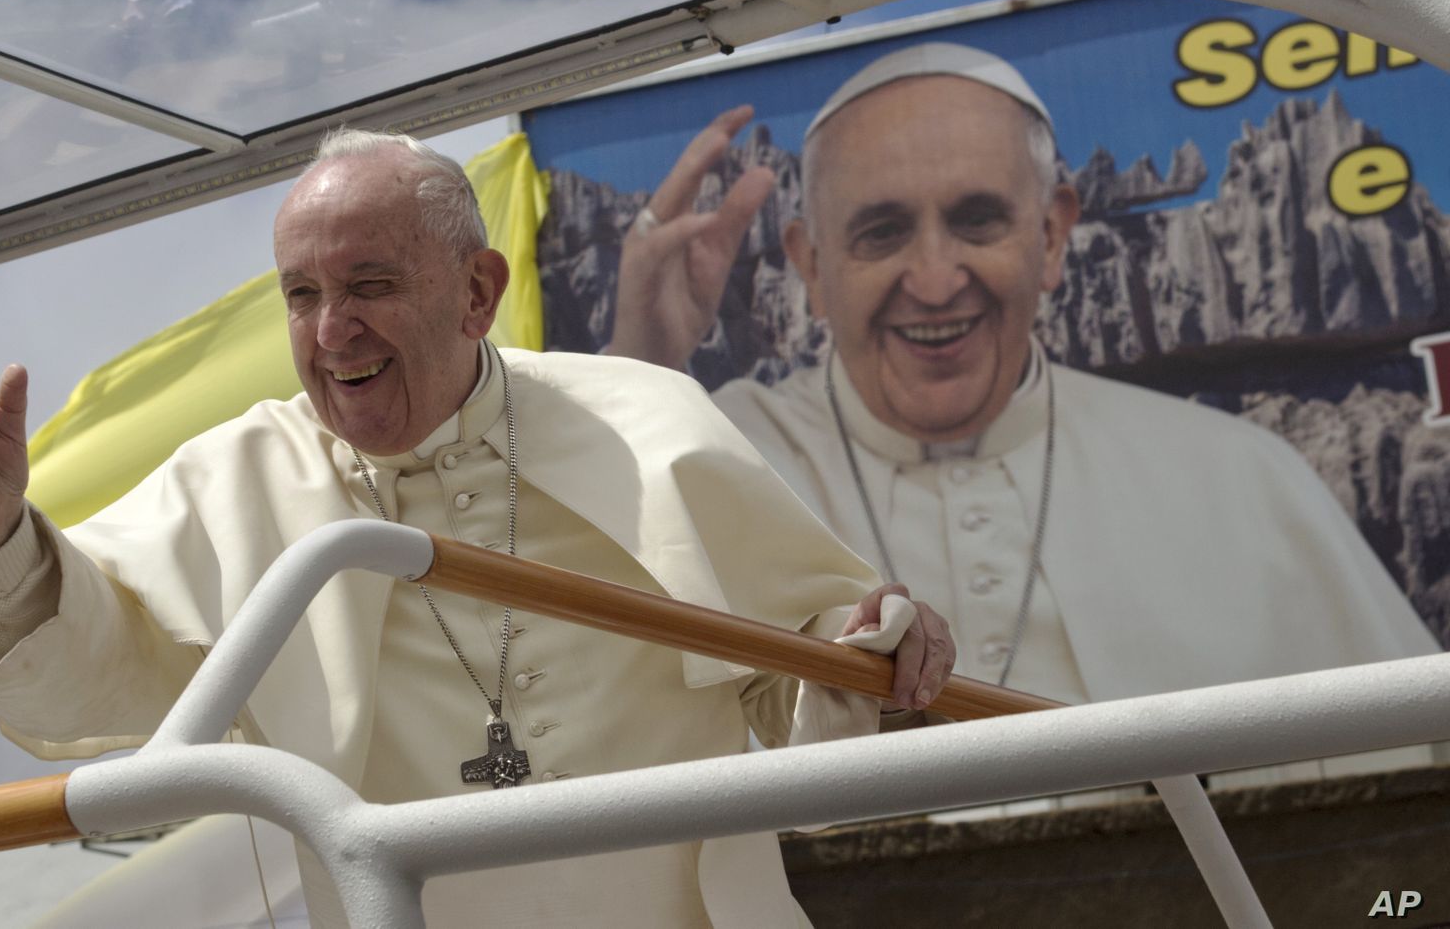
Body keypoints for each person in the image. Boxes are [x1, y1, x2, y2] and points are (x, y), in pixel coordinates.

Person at [0, 130, 954, 927]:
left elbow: (799, 693)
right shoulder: (237, 476)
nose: (330, 331)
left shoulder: (649, 421)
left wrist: (869, 653)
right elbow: (85, 684)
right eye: (303, 294)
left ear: (477, 291)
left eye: (368, 285)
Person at [605, 42, 1440, 765]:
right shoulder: (710, 464)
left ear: (1050, 238)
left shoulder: (1242, 475)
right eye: (882, 232)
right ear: (811, 265)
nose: (934, 281)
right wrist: (634, 372)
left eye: (977, 223)